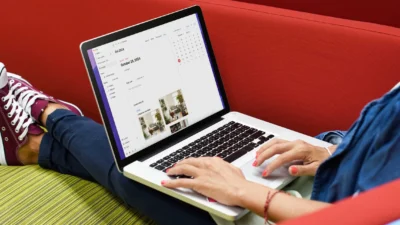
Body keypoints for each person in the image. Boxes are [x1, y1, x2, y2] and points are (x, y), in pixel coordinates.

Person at [0, 62, 399, 224]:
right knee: (152, 163)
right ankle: (36, 144)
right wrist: (335, 153)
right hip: (329, 183)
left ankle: (49, 116)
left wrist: (248, 193)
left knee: (136, 176)